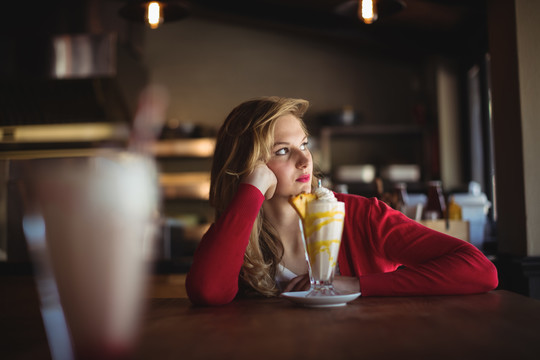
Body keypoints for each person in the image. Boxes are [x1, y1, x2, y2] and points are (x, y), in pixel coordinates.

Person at [185, 96, 498, 306]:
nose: (304, 160)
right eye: (282, 150)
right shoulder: (235, 228)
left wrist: (357, 284)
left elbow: (479, 270)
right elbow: (208, 291)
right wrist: (250, 191)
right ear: (248, 164)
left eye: (304, 145)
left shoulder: (362, 216)